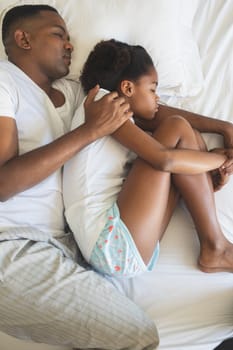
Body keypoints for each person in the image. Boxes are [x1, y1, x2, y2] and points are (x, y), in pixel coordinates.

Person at [0, 5, 160, 350]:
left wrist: (221, 127)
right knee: (137, 337)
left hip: (64, 248)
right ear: (22, 38)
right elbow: (2, 184)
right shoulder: (3, 81)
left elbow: (141, 105)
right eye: (58, 35)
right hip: (9, 246)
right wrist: (89, 131)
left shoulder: (74, 94)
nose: (70, 45)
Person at [63, 39, 233, 278]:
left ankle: (215, 248)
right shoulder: (104, 106)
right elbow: (164, 159)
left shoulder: (111, 106)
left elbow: (155, 117)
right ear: (128, 89)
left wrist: (222, 133)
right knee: (176, 128)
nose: (158, 99)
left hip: (118, 248)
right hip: (111, 241)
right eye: (153, 89)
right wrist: (220, 160)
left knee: (188, 135)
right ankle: (216, 246)